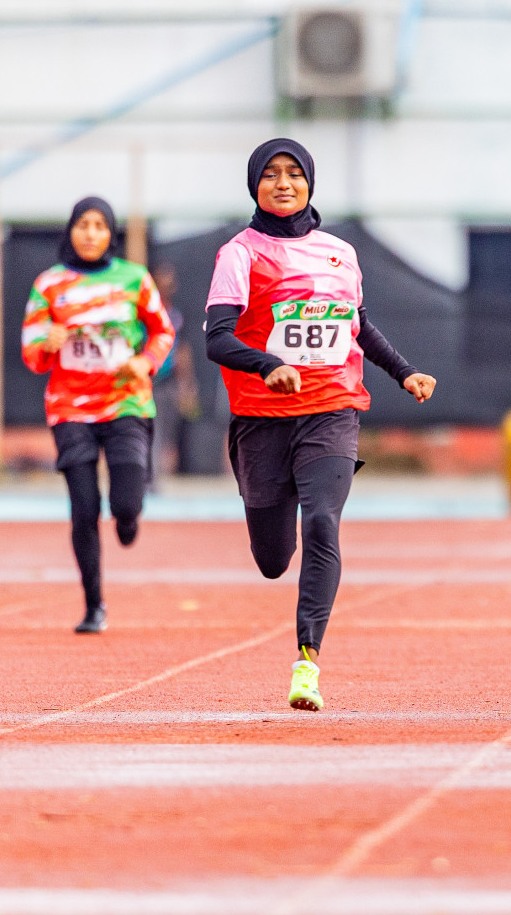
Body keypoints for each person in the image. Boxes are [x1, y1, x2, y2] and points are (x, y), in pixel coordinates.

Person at [205, 138, 437, 711]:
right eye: (271, 175)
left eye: (294, 175)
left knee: (325, 524)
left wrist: (404, 372)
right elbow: (217, 338)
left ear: (310, 183)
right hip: (261, 418)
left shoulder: (340, 252)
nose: (283, 184)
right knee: (271, 559)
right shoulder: (240, 253)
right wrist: (270, 365)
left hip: (332, 409)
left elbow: (357, 327)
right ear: (254, 185)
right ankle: (265, 522)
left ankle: (307, 661)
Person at [21, 197, 176, 633]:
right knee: (84, 507)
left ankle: (128, 518)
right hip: (71, 407)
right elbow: (31, 356)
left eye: (100, 225)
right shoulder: (48, 285)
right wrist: (47, 342)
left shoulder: (134, 279)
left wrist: (146, 362)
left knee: (126, 500)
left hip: (126, 400)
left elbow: (163, 330)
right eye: (83, 225)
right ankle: (94, 605)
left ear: (111, 233)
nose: (91, 233)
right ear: (70, 231)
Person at [147, 261, 201, 482]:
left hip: (168, 381)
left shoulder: (176, 315)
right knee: (152, 429)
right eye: (161, 283)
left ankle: (155, 473)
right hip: (148, 379)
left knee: (165, 431)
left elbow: (182, 350)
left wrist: (187, 384)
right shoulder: (144, 315)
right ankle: (150, 478)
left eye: (169, 283)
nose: (165, 287)